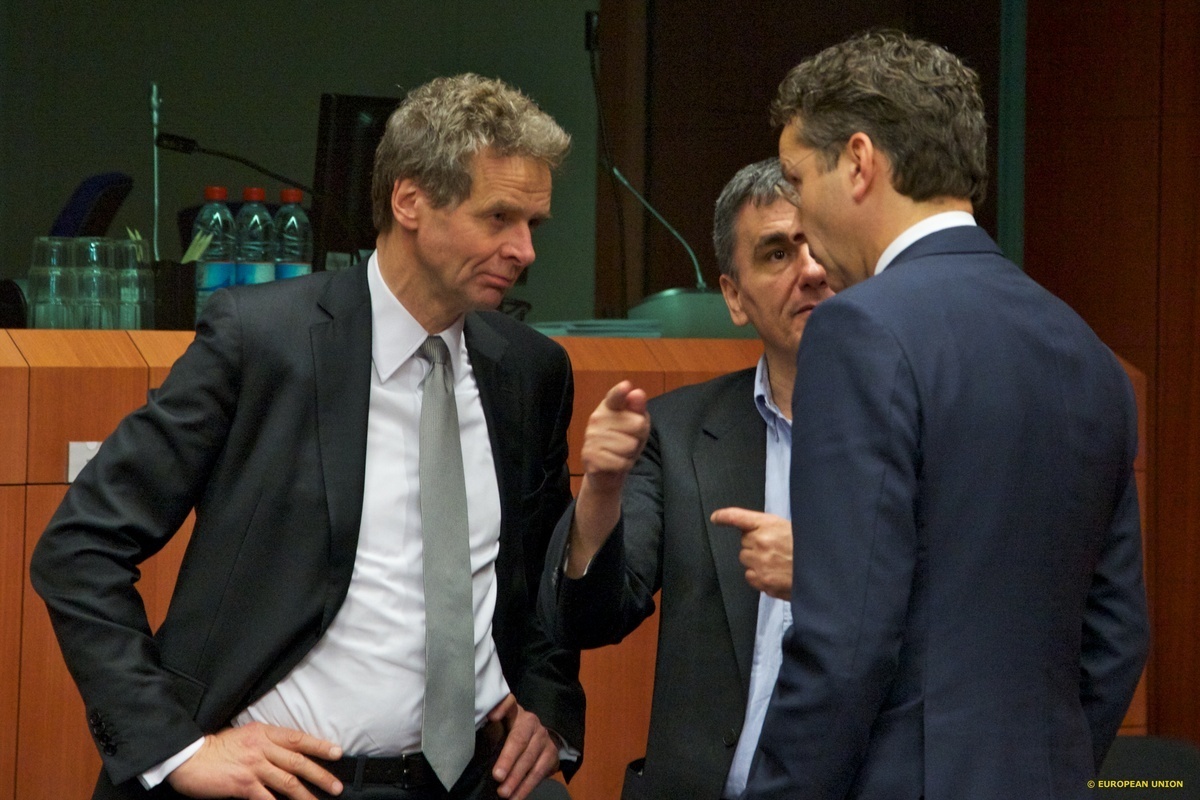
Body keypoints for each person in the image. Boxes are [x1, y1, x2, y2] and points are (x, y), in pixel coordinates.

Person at [30, 74, 583, 800]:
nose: (525, 250)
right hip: (289, 783)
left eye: (534, 224)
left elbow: (544, 578)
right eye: (499, 218)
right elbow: (80, 547)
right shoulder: (264, 341)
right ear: (410, 201)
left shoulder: (531, 371)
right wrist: (173, 748)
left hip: (475, 780)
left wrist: (545, 701)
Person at [742, 31, 1150, 800]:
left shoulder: (858, 330)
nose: (800, 212)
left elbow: (846, 644)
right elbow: (1117, 637)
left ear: (858, 162)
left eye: (797, 179)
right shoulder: (1087, 352)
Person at [537, 158, 833, 799]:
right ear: (734, 296)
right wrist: (602, 489)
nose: (810, 270)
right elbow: (589, 621)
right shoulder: (677, 433)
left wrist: (825, 574)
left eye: (821, 245)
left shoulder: (923, 431)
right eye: (777, 253)